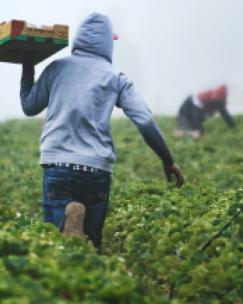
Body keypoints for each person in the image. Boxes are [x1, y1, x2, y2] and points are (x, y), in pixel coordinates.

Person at [20, 12, 184, 250]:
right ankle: (85, 250)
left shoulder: (57, 68)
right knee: (92, 245)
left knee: (55, 246)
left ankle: (68, 221)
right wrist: (167, 160)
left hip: (58, 164)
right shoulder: (116, 78)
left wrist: (27, 66)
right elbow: (145, 121)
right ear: (108, 43)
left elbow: (29, 106)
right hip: (96, 167)